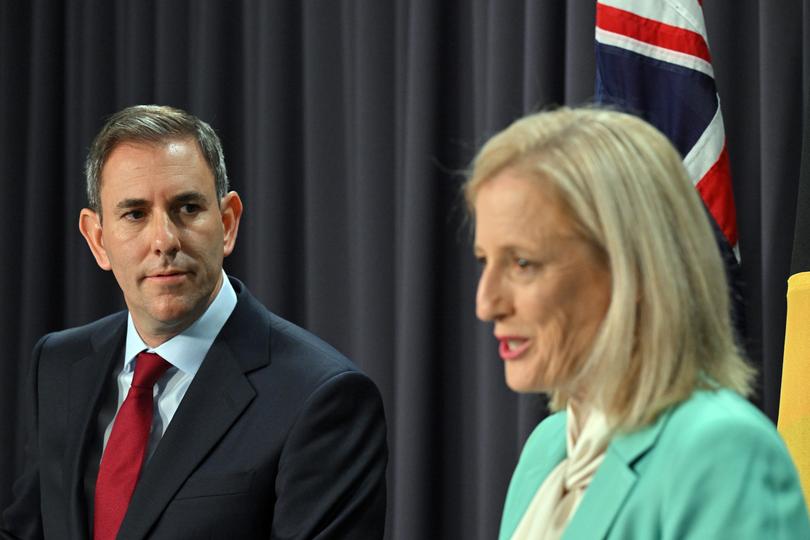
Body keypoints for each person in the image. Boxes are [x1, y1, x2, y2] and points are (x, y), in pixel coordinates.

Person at [1, 105, 387, 539]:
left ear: (226, 223)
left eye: (186, 208)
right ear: (97, 239)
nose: (164, 240)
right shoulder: (57, 364)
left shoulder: (322, 397)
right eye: (135, 214)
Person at [465, 107, 810, 539]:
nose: (486, 303)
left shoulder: (721, 452)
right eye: (484, 261)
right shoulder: (547, 449)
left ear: (635, 270)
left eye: (522, 263)